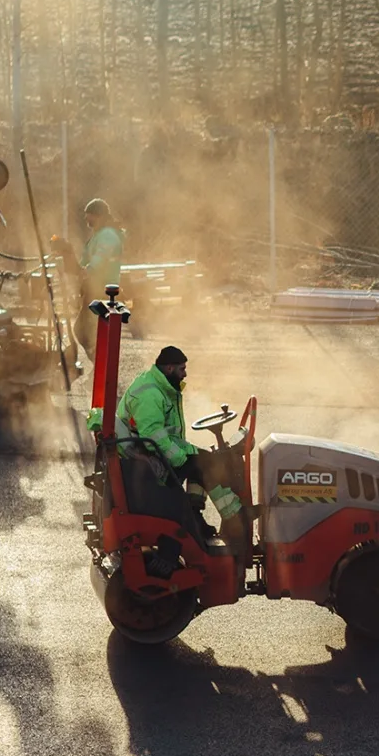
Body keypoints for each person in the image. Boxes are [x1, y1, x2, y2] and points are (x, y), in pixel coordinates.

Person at [116, 345, 243, 541]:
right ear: (169, 368)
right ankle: (235, 518)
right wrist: (182, 459)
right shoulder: (150, 395)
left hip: (151, 450)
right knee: (205, 464)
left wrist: (188, 456)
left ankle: (196, 515)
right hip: (150, 455)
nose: (185, 374)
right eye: (182, 369)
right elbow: (153, 437)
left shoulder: (158, 385)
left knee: (202, 460)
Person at [68, 199, 128, 365]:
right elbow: (86, 260)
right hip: (95, 288)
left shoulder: (107, 235)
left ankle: (101, 365)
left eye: (89, 215)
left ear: (99, 216)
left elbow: (101, 256)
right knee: (86, 330)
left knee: (84, 330)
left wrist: (88, 270)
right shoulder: (99, 235)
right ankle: (100, 365)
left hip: (102, 289)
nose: (86, 219)